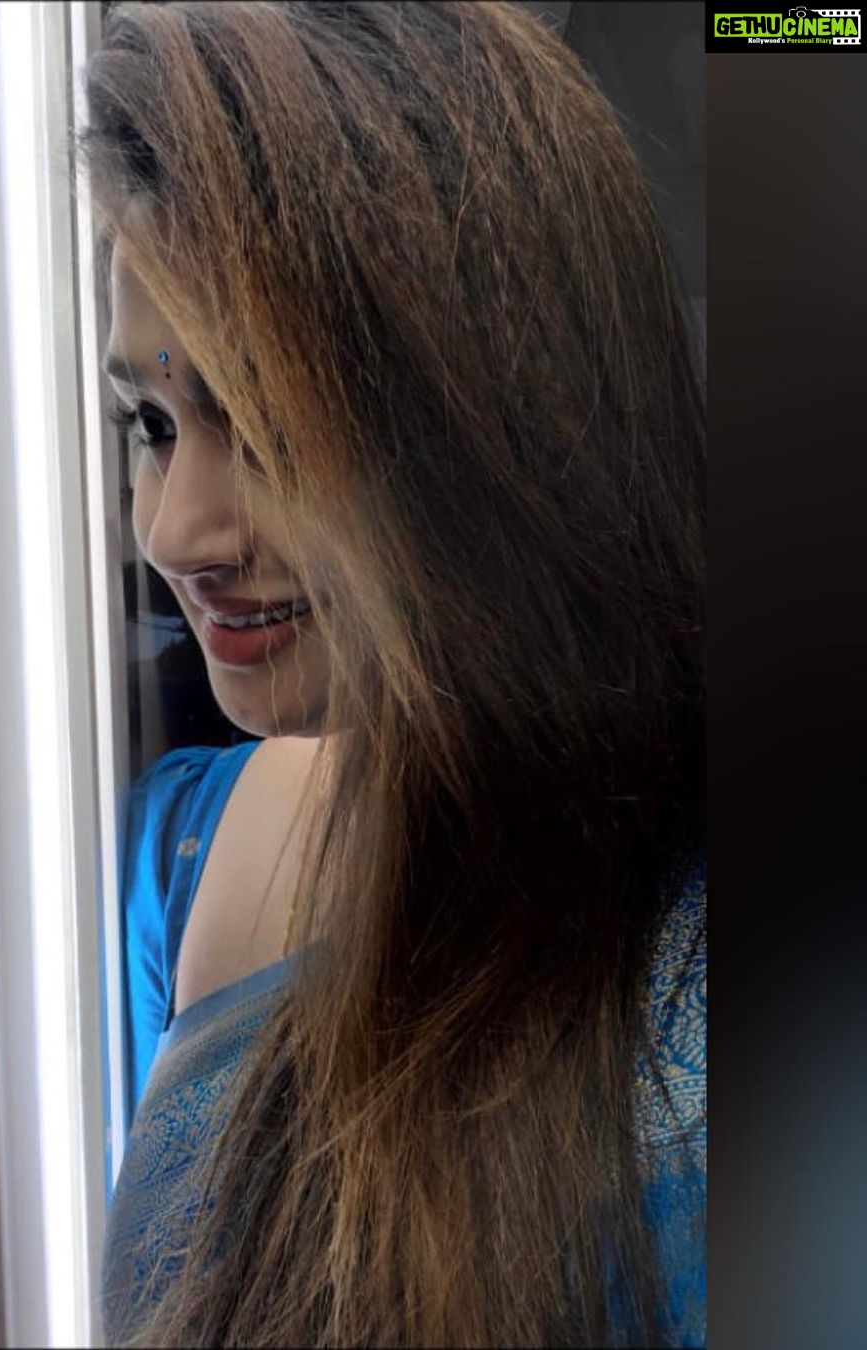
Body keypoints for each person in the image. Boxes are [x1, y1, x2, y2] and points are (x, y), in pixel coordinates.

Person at [79, 2, 706, 1346]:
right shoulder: (217, 842)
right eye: (151, 422)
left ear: (506, 423)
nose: (174, 532)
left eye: (270, 425)